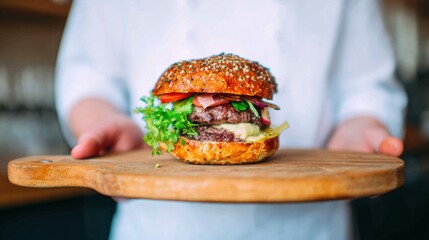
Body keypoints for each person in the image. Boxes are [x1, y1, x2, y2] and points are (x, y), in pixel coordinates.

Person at [56, 0, 407, 239]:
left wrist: (362, 128)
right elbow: (87, 77)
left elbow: (367, 87)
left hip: (308, 225)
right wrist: (99, 122)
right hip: (160, 225)